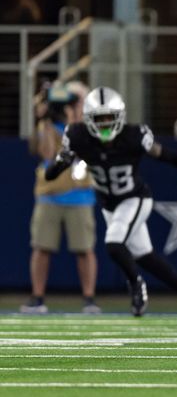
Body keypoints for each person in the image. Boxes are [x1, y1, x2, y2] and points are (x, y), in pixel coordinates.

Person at [45, 87, 177, 316]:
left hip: (135, 198)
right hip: (109, 205)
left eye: (109, 118)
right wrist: (61, 163)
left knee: (114, 244)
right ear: (88, 120)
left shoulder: (134, 137)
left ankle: (136, 285)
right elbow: (50, 176)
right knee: (145, 256)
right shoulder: (76, 136)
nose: (105, 124)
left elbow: (172, 158)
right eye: (99, 119)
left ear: (120, 118)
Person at [22, 83, 99, 314]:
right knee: (41, 247)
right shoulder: (46, 126)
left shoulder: (88, 125)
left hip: (80, 196)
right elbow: (45, 152)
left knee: (85, 249)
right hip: (50, 196)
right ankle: (38, 298)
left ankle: (89, 299)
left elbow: (84, 146)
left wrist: (75, 115)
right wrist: (43, 116)